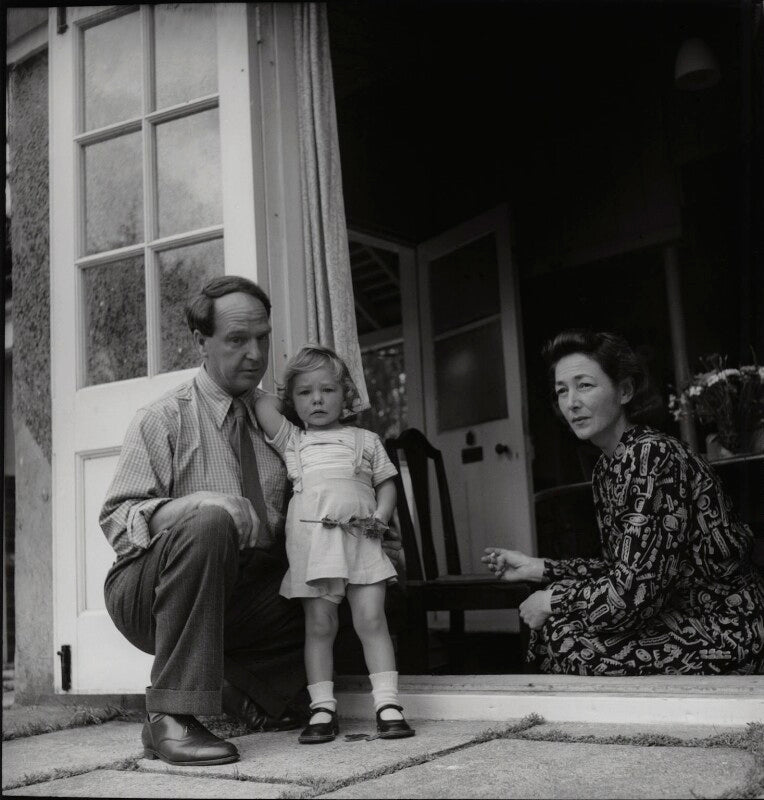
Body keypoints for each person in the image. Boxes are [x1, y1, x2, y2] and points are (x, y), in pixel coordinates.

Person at [100, 276, 311, 767]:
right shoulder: (163, 418)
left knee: (351, 576)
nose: (255, 354)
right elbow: (117, 521)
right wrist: (197, 504)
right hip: (150, 597)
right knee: (210, 522)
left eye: (263, 337)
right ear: (202, 342)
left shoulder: (279, 423)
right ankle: (169, 716)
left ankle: (244, 689)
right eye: (238, 340)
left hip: (240, 596)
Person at [483, 329, 764, 675]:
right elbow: (623, 567)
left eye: (584, 385)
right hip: (673, 611)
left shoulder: (651, 454)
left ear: (625, 390)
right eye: (561, 391)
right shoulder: (608, 466)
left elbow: (631, 594)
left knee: (565, 636)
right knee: (561, 630)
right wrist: (537, 568)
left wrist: (552, 599)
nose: (571, 402)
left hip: (725, 624)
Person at [255, 344, 415, 744]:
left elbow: (387, 484)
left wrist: (380, 517)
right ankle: (323, 707)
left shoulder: (365, 439)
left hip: (362, 541)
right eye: (305, 392)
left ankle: (388, 703)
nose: (317, 399)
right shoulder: (294, 441)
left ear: (346, 394)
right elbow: (261, 405)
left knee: (371, 620)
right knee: (320, 626)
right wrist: (288, 388)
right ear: (292, 400)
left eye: (328, 389)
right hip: (315, 547)